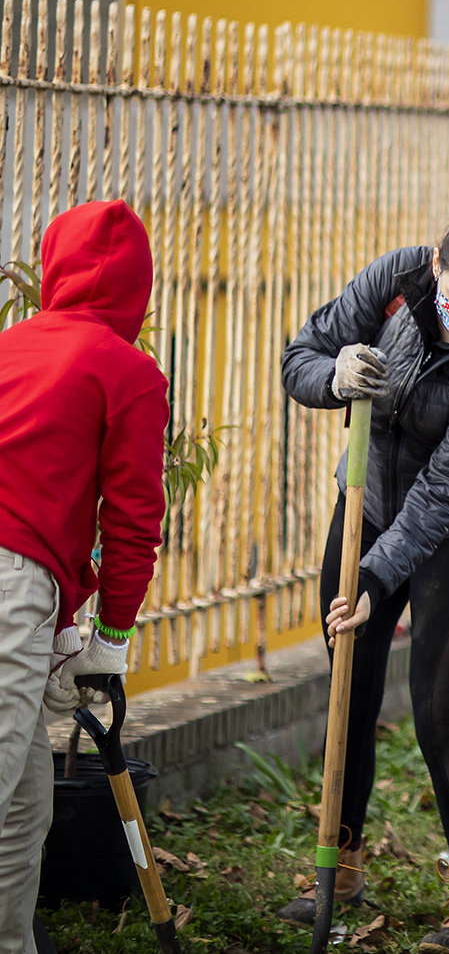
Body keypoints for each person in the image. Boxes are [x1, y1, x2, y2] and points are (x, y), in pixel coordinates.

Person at [278, 193, 449, 951]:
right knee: (348, 691)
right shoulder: (396, 277)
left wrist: (373, 578)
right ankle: (341, 864)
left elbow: (442, 491)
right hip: (361, 499)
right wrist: (336, 374)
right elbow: (299, 356)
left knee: (437, 711)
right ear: (435, 264)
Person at [0, 202, 169, 952]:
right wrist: (110, 638)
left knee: (24, 806)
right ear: (139, 288)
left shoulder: (11, 344)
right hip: (12, 581)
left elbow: (33, 486)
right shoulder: (130, 372)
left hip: (24, 578)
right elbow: (132, 521)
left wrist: (63, 610)